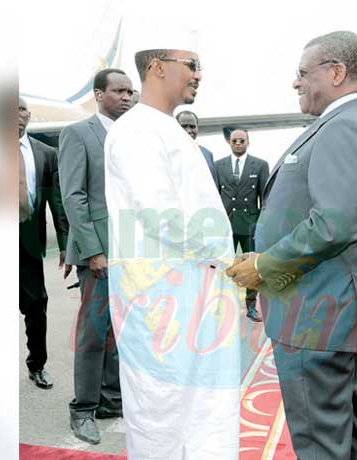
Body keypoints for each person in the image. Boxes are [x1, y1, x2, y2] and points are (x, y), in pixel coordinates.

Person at [226, 30, 357, 459]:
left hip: (315, 310)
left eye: (302, 73)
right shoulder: (344, 123)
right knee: (335, 436)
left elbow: (332, 224)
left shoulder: (343, 126)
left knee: (319, 443)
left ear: (335, 72)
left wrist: (264, 266)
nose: (296, 82)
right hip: (322, 308)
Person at [104, 35, 242, 459]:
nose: (198, 75)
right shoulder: (137, 130)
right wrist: (225, 258)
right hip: (161, 299)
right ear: (157, 67)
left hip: (196, 291)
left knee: (203, 405)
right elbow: (160, 213)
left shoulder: (166, 127)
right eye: (191, 63)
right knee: (163, 411)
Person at [57, 68, 132, 444]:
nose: (127, 96)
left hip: (129, 251)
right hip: (97, 252)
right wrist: (93, 251)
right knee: (93, 330)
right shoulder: (78, 134)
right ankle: (83, 408)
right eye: (118, 90)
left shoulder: (131, 136)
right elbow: (74, 196)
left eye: (130, 91)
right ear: (98, 94)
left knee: (119, 331)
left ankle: (110, 399)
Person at [18, 96, 69, 390]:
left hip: (28, 239)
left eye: (21, 108)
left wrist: (64, 243)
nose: (16, 114)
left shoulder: (46, 154)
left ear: (29, 115)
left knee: (36, 304)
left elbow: (57, 202)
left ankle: (37, 365)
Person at [215, 127, 268, 322]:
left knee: (250, 265)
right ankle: (221, 305)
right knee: (223, 264)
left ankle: (251, 306)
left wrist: (261, 224)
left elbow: (265, 198)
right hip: (226, 224)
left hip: (250, 225)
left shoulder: (260, 165)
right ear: (229, 142)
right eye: (234, 140)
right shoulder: (218, 166)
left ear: (248, 142)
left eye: (241, 141)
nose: (238, 144)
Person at [176, 110, 220, 189]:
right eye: (184, 126)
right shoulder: (168, 152)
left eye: (192, 126)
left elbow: (214, 187)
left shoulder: (207, 154)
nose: (189, 131)